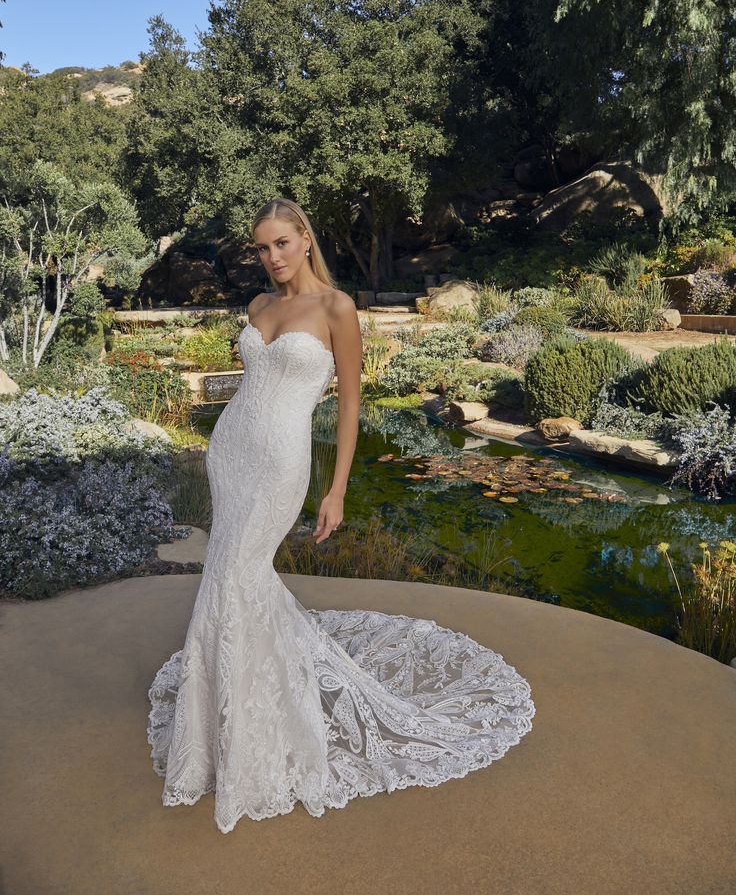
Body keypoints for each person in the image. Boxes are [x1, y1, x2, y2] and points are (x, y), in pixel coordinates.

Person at [147, 197, 536, 833]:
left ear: (305, 238)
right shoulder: (258, 307)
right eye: (262, 248)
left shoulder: (336, 309)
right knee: (225, 577)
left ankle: (255, 729)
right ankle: (222, 724)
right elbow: (249, 388)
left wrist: (338, 490)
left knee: (241, 575)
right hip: (232, 449)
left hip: (280, 461)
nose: (271, 258)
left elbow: (350, 406)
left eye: (280, 243)